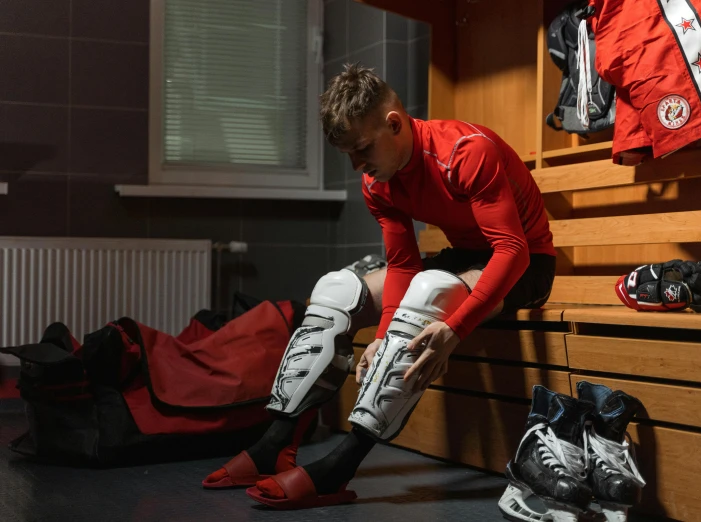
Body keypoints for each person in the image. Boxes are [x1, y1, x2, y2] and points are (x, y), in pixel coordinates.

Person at [203, 63, 557, 509]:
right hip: (466, 259)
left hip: (527, 265)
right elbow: (403, 262)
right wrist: (386, 331)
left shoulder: (466, 151)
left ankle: (342, 465)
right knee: (335, 291)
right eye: (349, 154)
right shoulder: (378, 180)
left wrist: (455, 329)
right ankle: (276, 441)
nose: (358, 165)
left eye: (363, 149)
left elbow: (512, 251)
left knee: (432, 291)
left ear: (394, 124)